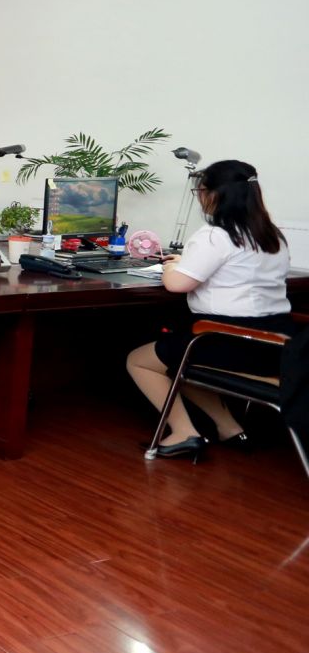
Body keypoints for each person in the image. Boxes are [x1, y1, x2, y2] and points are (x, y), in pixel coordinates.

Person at [126, 160, 296, 460]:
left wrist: (173, 266)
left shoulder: (216, 235)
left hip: (228, 340)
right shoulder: (272, 236)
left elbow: (176, 285)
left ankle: (184, 432)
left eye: (200, 191)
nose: (199, 198)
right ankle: (228, 427)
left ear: (215, 194)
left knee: (140, 360)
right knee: (180, 355)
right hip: (278, 344)